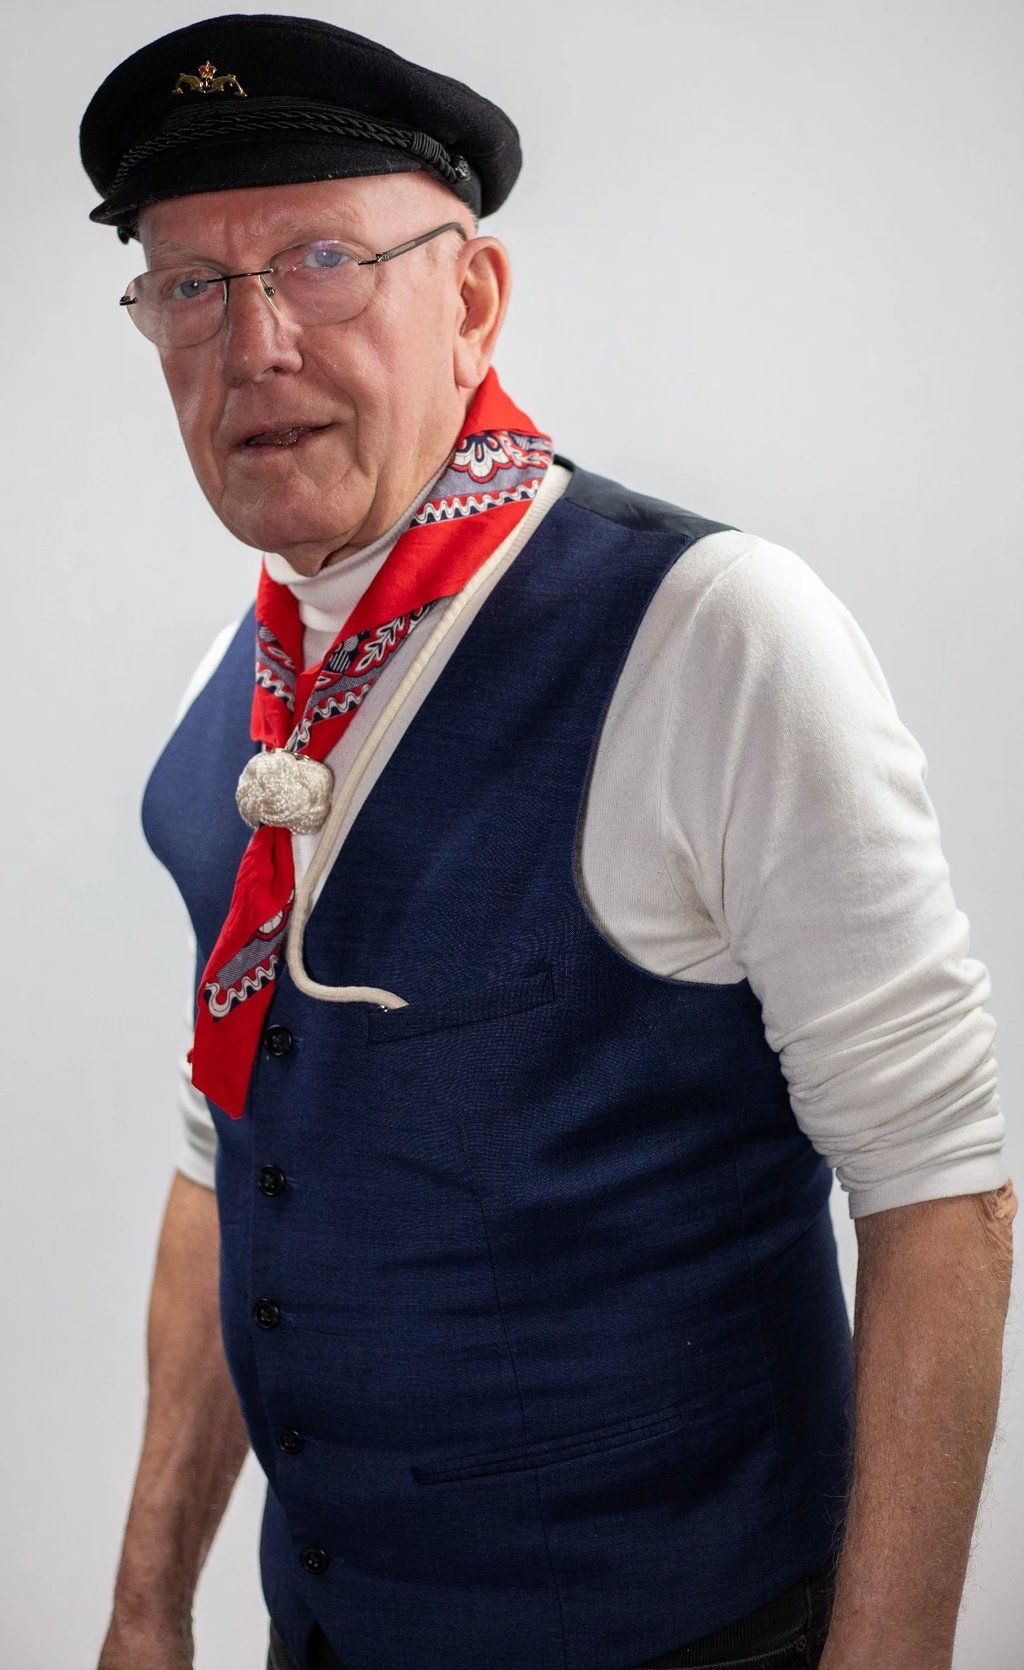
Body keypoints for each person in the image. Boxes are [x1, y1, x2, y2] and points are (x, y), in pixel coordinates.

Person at [80, 14, 1015, 1670]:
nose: (257, 342)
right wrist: (147, 1607)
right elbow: (229, 1139)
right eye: (192, 286)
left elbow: (942, 1187)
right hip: (330, 1632)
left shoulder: (715, 633)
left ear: (474, 302)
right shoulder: (227, 697)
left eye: (321, 263)